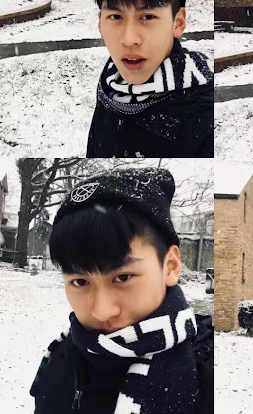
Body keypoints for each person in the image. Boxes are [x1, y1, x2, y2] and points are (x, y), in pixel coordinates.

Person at [30, 168, 213, 414]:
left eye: (123, 277)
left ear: (170, 266)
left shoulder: (208, 371)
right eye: (80, 282)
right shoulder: (59, 355)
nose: (102, 311)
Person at [86, 0, 214, 158]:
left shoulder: (205, 115)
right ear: (100, 24)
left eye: (147, 17)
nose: (129, 39)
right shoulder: (110, 86)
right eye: (116, 17)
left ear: (177, 23)